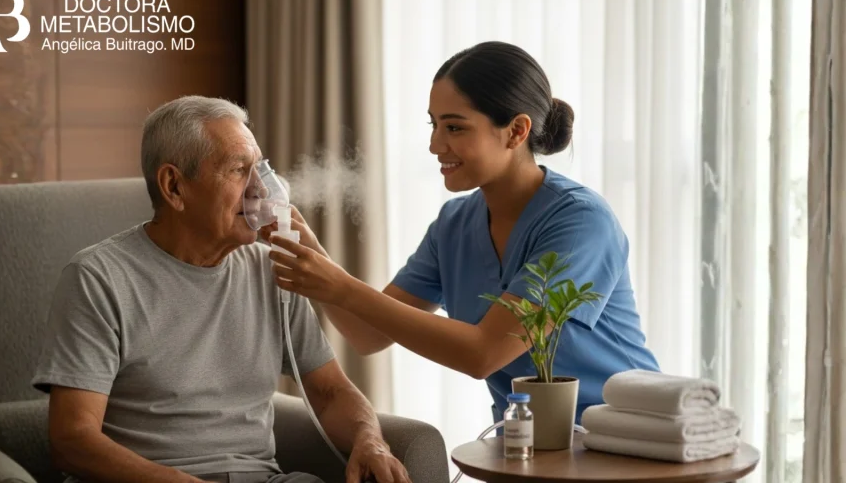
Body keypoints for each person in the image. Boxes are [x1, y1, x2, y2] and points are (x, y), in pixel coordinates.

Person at [265, 41, 661, 427]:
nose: (436, 144)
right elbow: (368, 334)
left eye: (454, 127)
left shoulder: (580, 223)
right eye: (434, 124)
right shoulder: (454, 225)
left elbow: (484, 353)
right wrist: (308, 252)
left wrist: (341, 286)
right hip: (532, 445)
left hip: (627, 438)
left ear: (516, 131)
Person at [31, 96, 411, 483]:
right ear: (174, 186)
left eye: (260, 168)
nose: (262, 189)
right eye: (238, 170)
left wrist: (370, 439)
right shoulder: (98, 278)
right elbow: (72, 439)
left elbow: (330, 392)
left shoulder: (275, 270)